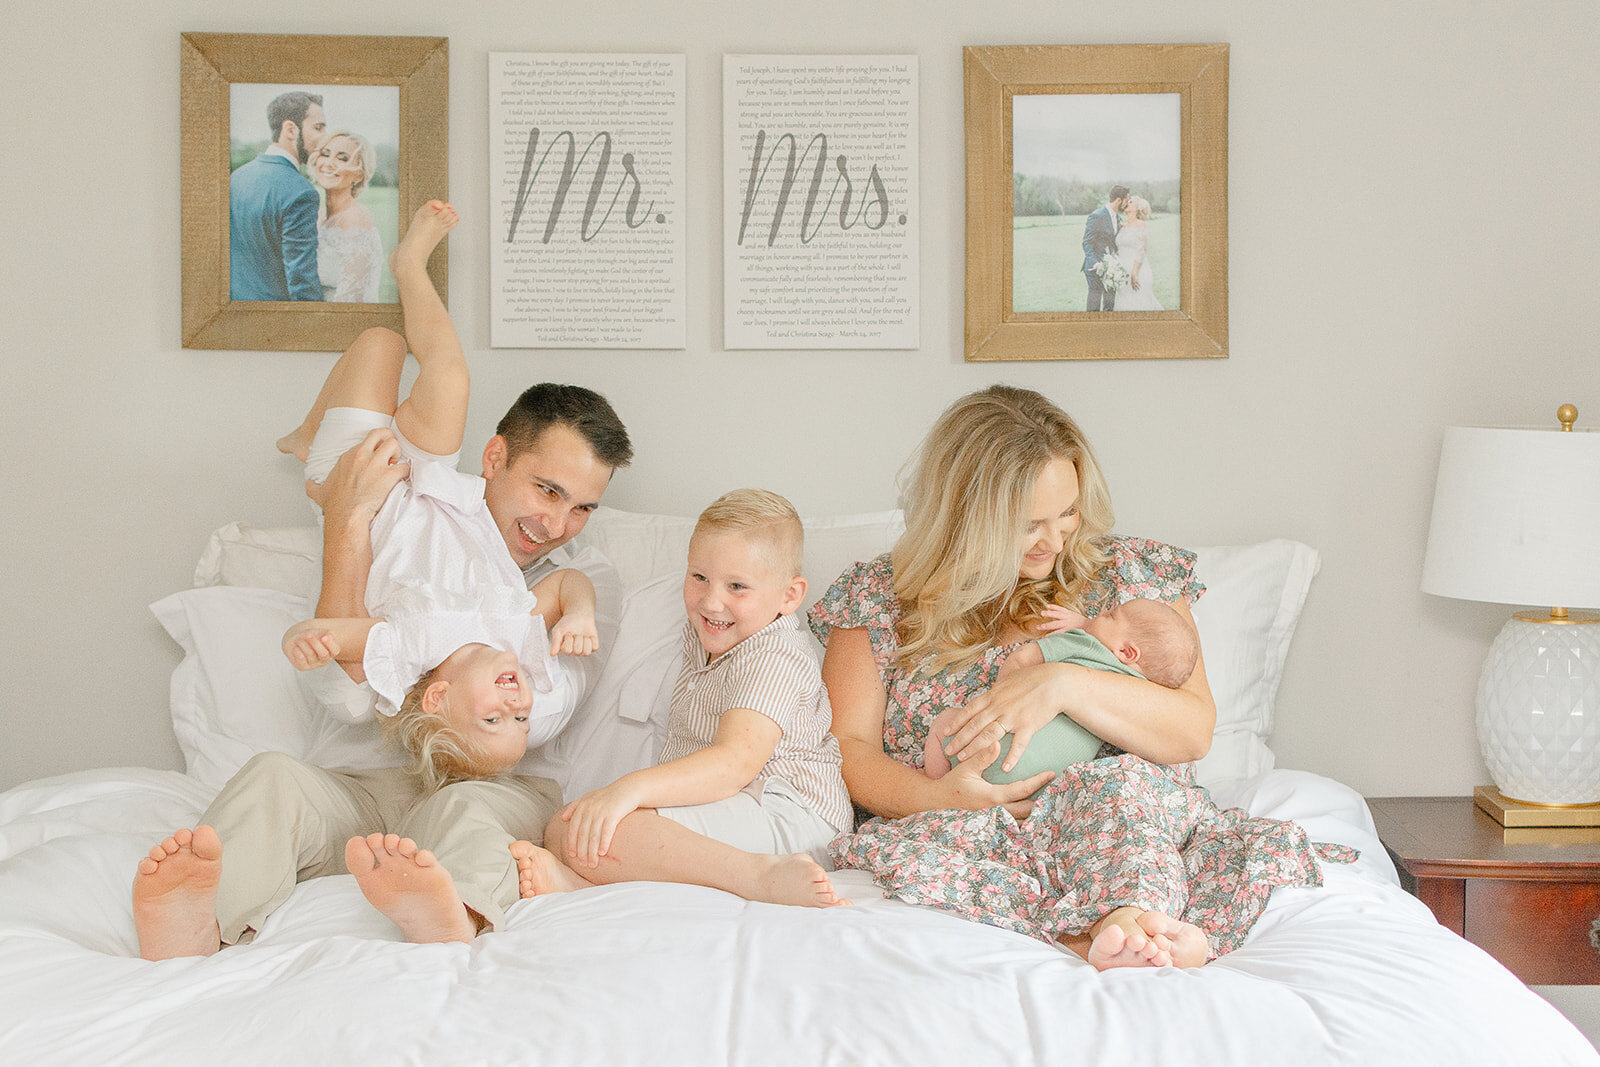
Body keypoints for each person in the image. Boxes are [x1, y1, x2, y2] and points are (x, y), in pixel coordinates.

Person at [131, 207, 635, 960]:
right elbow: (340, 698)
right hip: (361, 789)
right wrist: (347, 520)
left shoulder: (582, 580)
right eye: (547, 490)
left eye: (584, 507)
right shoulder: (417, 515)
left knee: (469, 814)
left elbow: (533, 719)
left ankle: (453, 912)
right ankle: (194, 924)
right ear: (494, 459)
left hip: (481, 789)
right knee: (273, 778)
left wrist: (420, 641)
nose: (559, 523)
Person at [810, 385, 1354, 970]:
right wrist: (938, 799)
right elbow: (847, 746)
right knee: (949, 867)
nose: (1056, 540)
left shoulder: (1128, 581)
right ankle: (1100, 936)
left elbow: (1193, 730)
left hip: (1120, 823)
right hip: (969, 830)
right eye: (1029, 524)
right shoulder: (879, 599)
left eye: (1067, 512)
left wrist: (1063, 684)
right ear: (965, 515)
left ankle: (1128, 924)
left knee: (1123, 800)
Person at [270, 199, 599, 787]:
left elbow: (339, 638)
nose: (517, 704)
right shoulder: (516, 631)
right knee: (441, 373)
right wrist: (579, 614)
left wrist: (309, 640)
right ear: (495, 459)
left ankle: (310, 440)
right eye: (521, 718)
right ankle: (408, 264)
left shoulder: (410, 652)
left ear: (438, 698)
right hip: (432, 482)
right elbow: (569, 583)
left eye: (495, 718)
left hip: (370, 495)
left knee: (378, 344)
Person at [510, 489, 853, 910]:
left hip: (791, 816)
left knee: (608, 829)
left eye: (737, 586)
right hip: (731, 805)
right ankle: (585, 889)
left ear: (790, 596)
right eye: (699, 577)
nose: (712, 601)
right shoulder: (705, 637)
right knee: (568, 827)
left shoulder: (775, 653)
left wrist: (628, 789)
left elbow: (733, 764)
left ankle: (759, 876)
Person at [921, 597, 1199, 783]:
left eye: (1111, 615)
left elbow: (1021, 659)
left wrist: (1001, 697)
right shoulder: (1140, 692)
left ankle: (937, 785)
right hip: (1045, 782)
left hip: (991, 753)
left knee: (943, 723)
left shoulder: (1083, 644)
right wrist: (1090, 624)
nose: (1099, 614)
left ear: (1127, 651)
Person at [230, 90, 328, 301]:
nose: (324, 138)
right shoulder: (301, 192)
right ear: (290, 129)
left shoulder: (236, 177)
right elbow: (302, 281)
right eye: (318, 128)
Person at [311, 131, 385, 302]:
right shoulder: (319, 215)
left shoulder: (355, 219)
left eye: (342, 158)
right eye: (325, 154)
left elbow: (351, 299)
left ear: (359, 175)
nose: (329, 163)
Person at [1081, 185, 1128, 312]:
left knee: (1109, 306)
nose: (1126, 204)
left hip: (1112, 270)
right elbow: (1087, 243)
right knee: (1094, 309)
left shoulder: (1118, 218)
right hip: (1095, 269)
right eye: (1126, 200)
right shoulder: (1097, 215)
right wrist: (1095, 263)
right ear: (1118, 200)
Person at [1113, 195, 1162, 312]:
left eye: (1130, 202)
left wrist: (1134, 273)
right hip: (1122, 271)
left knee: (1139, 302)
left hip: (1137, 270)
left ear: (1137, 208)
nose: (1126, 203)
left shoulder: (1141, 224)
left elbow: (1141, 251)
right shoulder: (1122, 226)